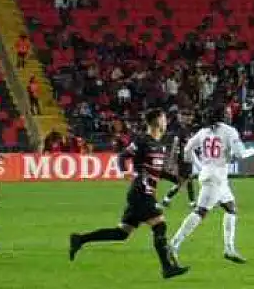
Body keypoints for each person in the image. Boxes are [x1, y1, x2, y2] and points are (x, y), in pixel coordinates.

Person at [68, 109, 189, 279]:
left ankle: (79, 239)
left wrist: (175, 179)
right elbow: (123, 156)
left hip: (145, 192)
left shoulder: (160, 145)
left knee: (122, 233)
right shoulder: (142, 141)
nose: (166, 122)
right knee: (159, 225)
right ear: (156, 122)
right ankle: (167, 268)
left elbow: (157, 170)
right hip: (141, 191)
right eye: (163, 119)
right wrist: (124, 171)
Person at [169, 108, 251, 264]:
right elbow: (240, 154)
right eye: (226, 112)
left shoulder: (202, 132)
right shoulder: (229, 131)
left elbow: (187, 150)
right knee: (200, 211)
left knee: (231, 208)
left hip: (213, 176)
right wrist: (251, 152)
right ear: (222, 116)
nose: (229, 114)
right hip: (216, 177)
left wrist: (200, 165)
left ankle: (229, 248)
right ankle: (174, 244)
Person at [161, 110, 198, 209]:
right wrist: (172, 162)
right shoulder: (180, 131)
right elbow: (175, 145)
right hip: (183, 159)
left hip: (188, 158)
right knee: (185, 180)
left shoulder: (187, 129)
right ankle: (191, 202)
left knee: (185, 181)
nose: (190, 118)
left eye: (190, 116)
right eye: (188, 116)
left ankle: (167, 199)